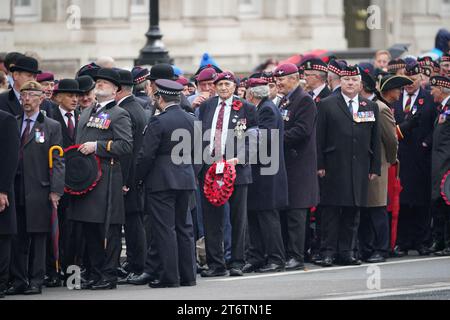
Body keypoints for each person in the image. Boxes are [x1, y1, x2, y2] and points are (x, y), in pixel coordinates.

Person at [68, 68, 133, 290]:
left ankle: (108, 274)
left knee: (108, 228)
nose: (101, 84)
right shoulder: (86, 113)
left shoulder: (119, 114)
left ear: (116, 89)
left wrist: (98, 147)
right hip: (85, 179)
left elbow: (125, 146)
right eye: (99, 82)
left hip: (107, 177)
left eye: (106, 82)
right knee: (89, 228)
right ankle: (95, 272)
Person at [316, 65, 381, 267]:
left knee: (353, 212)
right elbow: (319, 138)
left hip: (360, 167)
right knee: (331, 212)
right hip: (334, 166)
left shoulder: (369, 106)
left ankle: (347, 251)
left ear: (360, 84)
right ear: (339, 82)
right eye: (346, 80)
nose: (350, 83)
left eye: (354, 80)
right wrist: (320, 164)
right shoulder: (327, 104)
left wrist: (374, 167)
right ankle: (328, 252)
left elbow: (374, 139)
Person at [136, 79, 197, 288]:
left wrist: (138, 178)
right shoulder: (191, 119)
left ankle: (169, 277)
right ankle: (188, 276)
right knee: (184, 228)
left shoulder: (158, 121)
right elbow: (200, 154)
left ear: (159, 98)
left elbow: (146, 156)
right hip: (185, 178)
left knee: (165, 229)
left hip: (162, 181)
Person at [198, 71, 258, 277]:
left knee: (238, 217)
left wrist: (240, 159)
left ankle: (237, 262)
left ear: (235, 87)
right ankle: (216, 263)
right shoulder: (206, 107)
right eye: (220, 84)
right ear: (214, 87)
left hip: (236, 169)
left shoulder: (246, 108)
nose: (223, 88)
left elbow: (253, 137)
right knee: (211, 217)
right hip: (211, 169)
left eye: (227, 84)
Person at [7, 81, 65, 296]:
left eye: (32, 95)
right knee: (17, 235)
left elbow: (58, 159)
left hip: (39, 188)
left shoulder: (50, 126)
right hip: (16, 186)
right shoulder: (13, 123)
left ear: (42, 98)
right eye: (24, 96)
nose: (27, 100)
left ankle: (36, 279)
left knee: (39, 236)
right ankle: (19, 278)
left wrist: (56, 190)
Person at [272, 63, 319, 270]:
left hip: (298, 165)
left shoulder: (304, 100)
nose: (278, 83)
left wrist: (274, 139)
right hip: (287, 165)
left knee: (296, 215)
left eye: (281, 79)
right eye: (277, 79)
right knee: (287, 212)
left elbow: (302, 131)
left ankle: (297, 256)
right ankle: (289, 253)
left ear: (294, 78)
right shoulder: (285, 100)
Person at [392, 62, 438, 256]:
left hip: (421, 156)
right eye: (407, 79)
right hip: (401, 156)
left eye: (414, 79)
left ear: (421, 78)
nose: (410, 83)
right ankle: (403, 241)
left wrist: (427, 143)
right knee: (402, 201)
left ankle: (420, 241)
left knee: (420, 201)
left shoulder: (429, 99)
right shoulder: (396, 98)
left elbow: (436, 125)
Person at [244, 78, 288, 273]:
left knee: (267, 217)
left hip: (266, 172)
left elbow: (264, 138)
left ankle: (276, 258)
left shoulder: (267, 109)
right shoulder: (263, 108)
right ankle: (257, 256)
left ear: (251, 94)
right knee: (255, 215)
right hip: (258, 171)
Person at [358, 70, 399, 263]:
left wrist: (389, 161)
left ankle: (381, 248)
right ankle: (367, 247)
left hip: (379, 164)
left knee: (377, 208)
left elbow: (391, 140)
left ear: (362, 86)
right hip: (363, 166)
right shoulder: (360, 106)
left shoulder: (380, 108)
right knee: (366, 209)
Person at [114, 69, 147, 284]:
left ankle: (137, 265)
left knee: (133, 224)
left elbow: (128, 151)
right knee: (134, 222)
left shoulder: (126, 110)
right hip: (135, 175)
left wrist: (124, 181)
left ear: (118, 89)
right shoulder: (135, 106)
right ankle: (136, 263)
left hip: (130, 176)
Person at [429, 76, 450, 256]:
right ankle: (440, 240)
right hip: (439, 165)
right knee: (439, 203)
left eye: (433, 89)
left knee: (447, 203)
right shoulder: (443, 109)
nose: (431, 92)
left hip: (447, 166)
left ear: (442, 90)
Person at [0, 110, 20, 299]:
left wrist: (3, 189)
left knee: (2, 236)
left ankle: (1, 282)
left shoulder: (6, 120)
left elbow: (10, 157)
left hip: (1, 188)